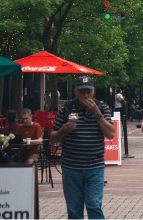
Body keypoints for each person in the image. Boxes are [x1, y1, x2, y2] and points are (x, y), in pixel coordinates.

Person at [51, 76, 114, 219]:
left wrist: (96, 113)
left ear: (93, 91)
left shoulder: (101, 107)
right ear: (75, 92)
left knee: (94, 205)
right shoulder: (66, 108)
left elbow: (110, 134)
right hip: (71, 167)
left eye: (88, 92)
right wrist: (63, 130)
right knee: (74, 209)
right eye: (82, 92)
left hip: (95, 167)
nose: (86, 95)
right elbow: (53, 137)